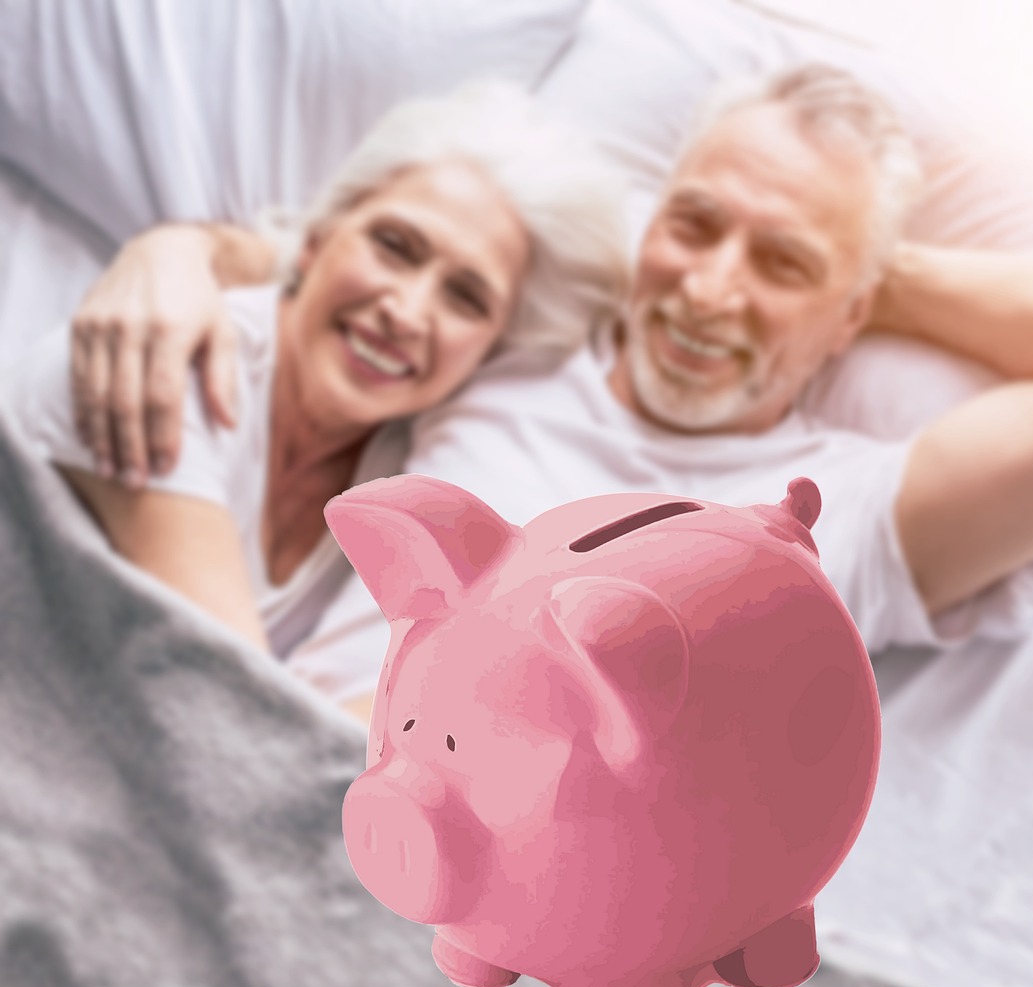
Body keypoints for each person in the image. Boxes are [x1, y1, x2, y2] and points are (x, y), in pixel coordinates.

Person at [62, 64, 1033, 720]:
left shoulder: (838, 515)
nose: (709, 290)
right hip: (265, 747)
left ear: (852, 314)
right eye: (694, 224)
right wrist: (181, 250)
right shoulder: (519, 335)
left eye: (778, 264)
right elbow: (354, 259)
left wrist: (871, 272)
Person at [9, 83, 628, 656]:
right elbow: (232, 702)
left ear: (488, 353)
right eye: (393, 246)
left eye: (465, 298)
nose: (406, 311)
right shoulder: (167, 359)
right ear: (316, 239)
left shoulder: (398, 474)